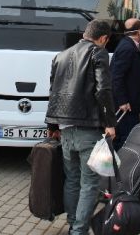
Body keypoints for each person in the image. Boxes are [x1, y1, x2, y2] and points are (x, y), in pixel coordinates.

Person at [45, 19, 117, 235]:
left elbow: (53, 92)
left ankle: (72, 222)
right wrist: (110, 123)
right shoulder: (98, 52)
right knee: (90, 182)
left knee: (73, 179)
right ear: (103, 38)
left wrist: (52, 124)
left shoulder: (60, 56)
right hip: (89, 126)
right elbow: (103, 90)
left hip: (65, 127)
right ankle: (78, 230)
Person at [111, 18, 140, 149]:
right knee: (125, 140)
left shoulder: (126, 45)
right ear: (139, 31)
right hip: (126, 107)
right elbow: (117, 77)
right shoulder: (127, 48)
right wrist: (122, 101)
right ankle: (122, 168)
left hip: (128, 105)